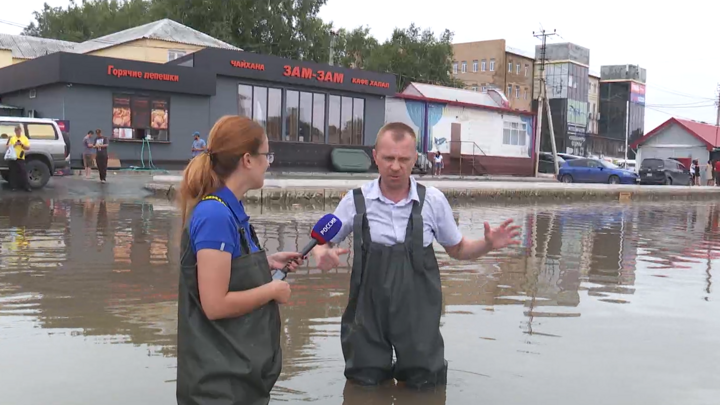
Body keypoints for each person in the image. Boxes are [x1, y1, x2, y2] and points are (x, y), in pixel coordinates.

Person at [312, 122, 521, 389]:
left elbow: (457, 249)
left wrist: (487, 244)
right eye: (388, 158)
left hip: (418, 313)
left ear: (415, 159)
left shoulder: (433, 201)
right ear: (375, 156)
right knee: (363, 382)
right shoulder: (355, 200)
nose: (395, 166)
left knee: (424, 383)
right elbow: (321, 241)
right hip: (367, 314)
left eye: (403, 159)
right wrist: (323, 253)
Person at [176, 115, 302, 405]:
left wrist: (266, 263)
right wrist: (272, 289)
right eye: (266, 154)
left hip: (239, 378)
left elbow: (225, 269)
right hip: (218, 386)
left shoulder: (230, 210)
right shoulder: (215, 215)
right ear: (247, 159)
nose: (269, 162)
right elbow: (215, 304)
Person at [6, 125, 31, 192]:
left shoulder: (24, 138)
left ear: (21, 131)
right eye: (16, 131)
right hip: (13, 157)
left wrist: (22, 145)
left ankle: (26, 186)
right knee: (13, 172)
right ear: (15, 131)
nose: (18, 132)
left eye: (19, 131)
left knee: (23, 172)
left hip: (20, 157)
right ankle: (13, 186)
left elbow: (28, 147)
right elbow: (7, 147)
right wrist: (15, 144)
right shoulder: (12, 138)